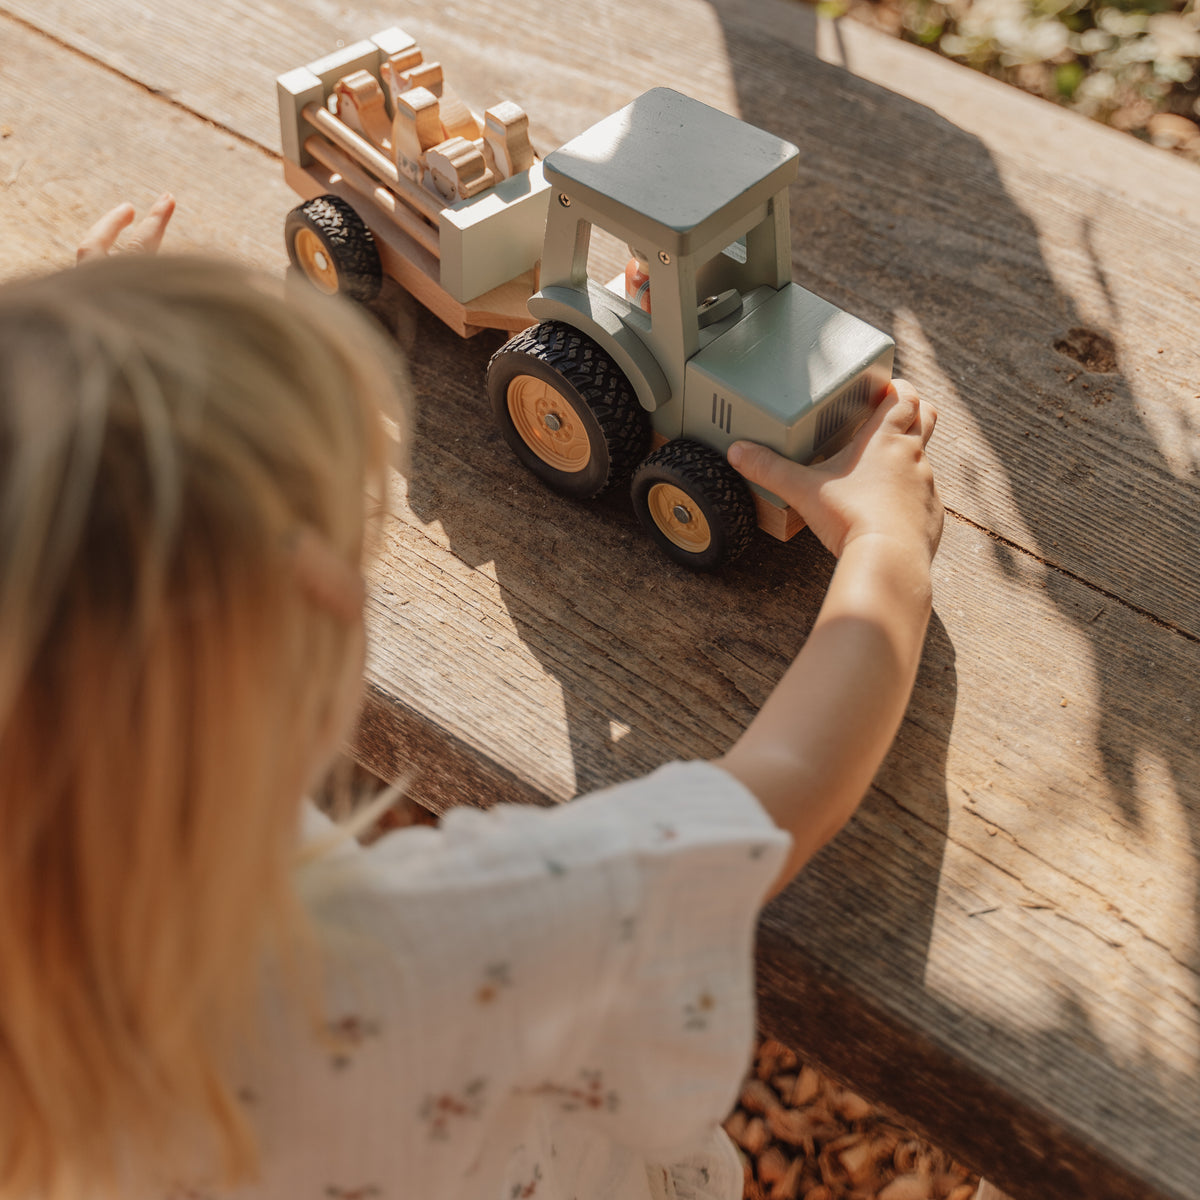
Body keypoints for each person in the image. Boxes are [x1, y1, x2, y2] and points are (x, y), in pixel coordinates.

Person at [0, 199, 941, 1200]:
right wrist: (887, 553)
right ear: (319, 602)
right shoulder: (433, 952)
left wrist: (58, 459)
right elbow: (785, 794)